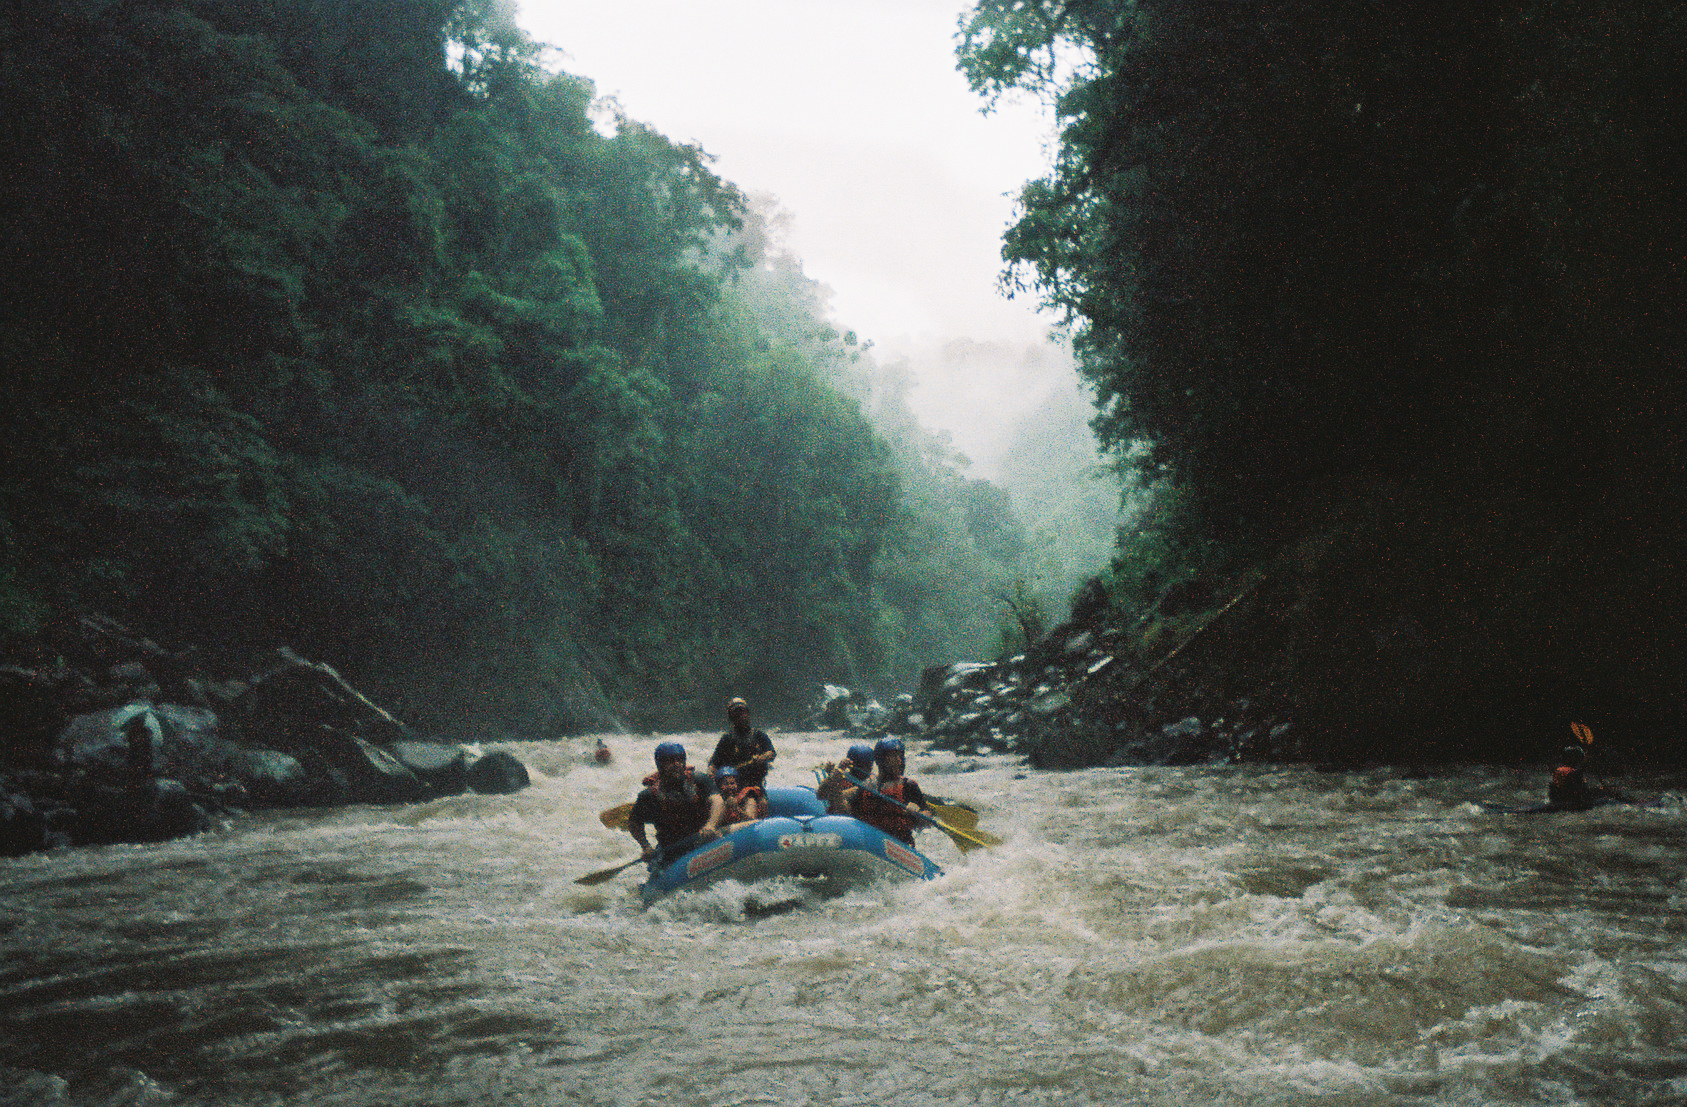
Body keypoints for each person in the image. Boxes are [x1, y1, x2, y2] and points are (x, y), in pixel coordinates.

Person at [629, 741, 725, 869]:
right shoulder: (649, 796)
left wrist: (711, 825)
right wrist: (646, 846)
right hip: (673, 850)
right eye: (670, 761)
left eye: (680, 760)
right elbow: (634, 823)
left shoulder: (699, 780)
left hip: (703, 838)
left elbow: (717, 800)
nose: (676, 764)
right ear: (660, 764)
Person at [848, 737, 930, 846]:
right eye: (892, 756)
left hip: (899, 847)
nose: (898, 760)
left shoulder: (909, 786)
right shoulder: (866, 786)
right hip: (870, 843)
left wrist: (918, 813)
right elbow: (847, 809)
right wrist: (835, 778)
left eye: (899, 756)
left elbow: (927, 817)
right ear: (881, 759)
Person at [709, 697, 776, 790]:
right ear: (732, 718)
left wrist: (762, 757)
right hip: (732, 785)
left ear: (748, 714)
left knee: (761, 802)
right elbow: (714, 763)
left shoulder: (758, 735)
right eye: (737, 714)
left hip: (754, 783)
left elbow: (771, 753)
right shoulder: (727, 738)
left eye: (743, 712)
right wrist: (712, 774)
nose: (741, 716)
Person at [816, 743, 875, 815]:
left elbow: (845, 794)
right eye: (861, 764)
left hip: (858, 818)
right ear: (851, 765)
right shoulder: (841, 777)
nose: (865, 768)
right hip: (839, 816)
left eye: (867, 764)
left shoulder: (872, 781)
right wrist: (835, 774)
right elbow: (820, 795)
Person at [1547, 744, 1596, 811]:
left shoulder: (1559, 769)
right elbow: (1576, 776)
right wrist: (1587, 761)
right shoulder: (1569, 771)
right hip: (1568, 800)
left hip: (1559, 798)